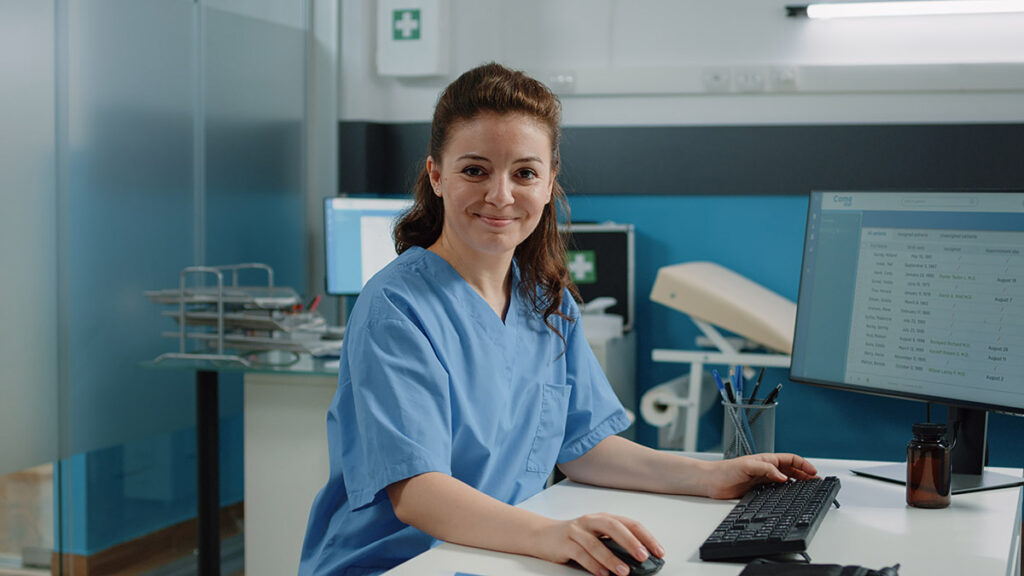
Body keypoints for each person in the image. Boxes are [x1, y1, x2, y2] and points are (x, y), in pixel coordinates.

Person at [299, 62, 818, 576]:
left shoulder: (546, 302)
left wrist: (711, 476)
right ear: (436, 175)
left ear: (548, 183)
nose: (500, 195)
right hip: (399, 564)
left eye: (524, 172)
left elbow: (585, 447)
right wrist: (554, 535)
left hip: (496, 553)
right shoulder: (395, 307)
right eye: (474, 170)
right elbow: (418, 493)